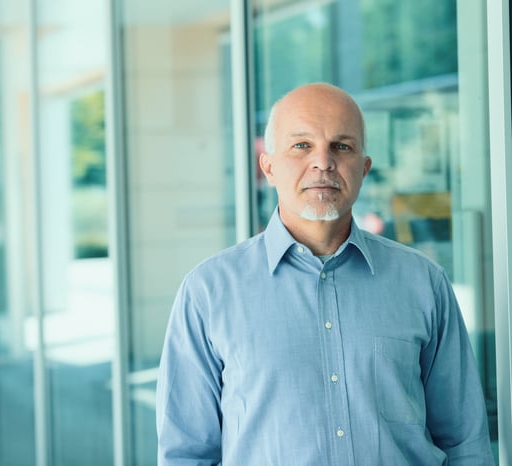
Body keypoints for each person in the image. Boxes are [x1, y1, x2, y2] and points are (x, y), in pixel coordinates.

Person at [156, 82, 495, 465]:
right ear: (268, 167)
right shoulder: (208, 292)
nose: (323, 162)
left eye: (342, 146)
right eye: (301, 146)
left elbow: (465, 443)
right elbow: (186, 454)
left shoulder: (423, 283)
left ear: (364, 168)